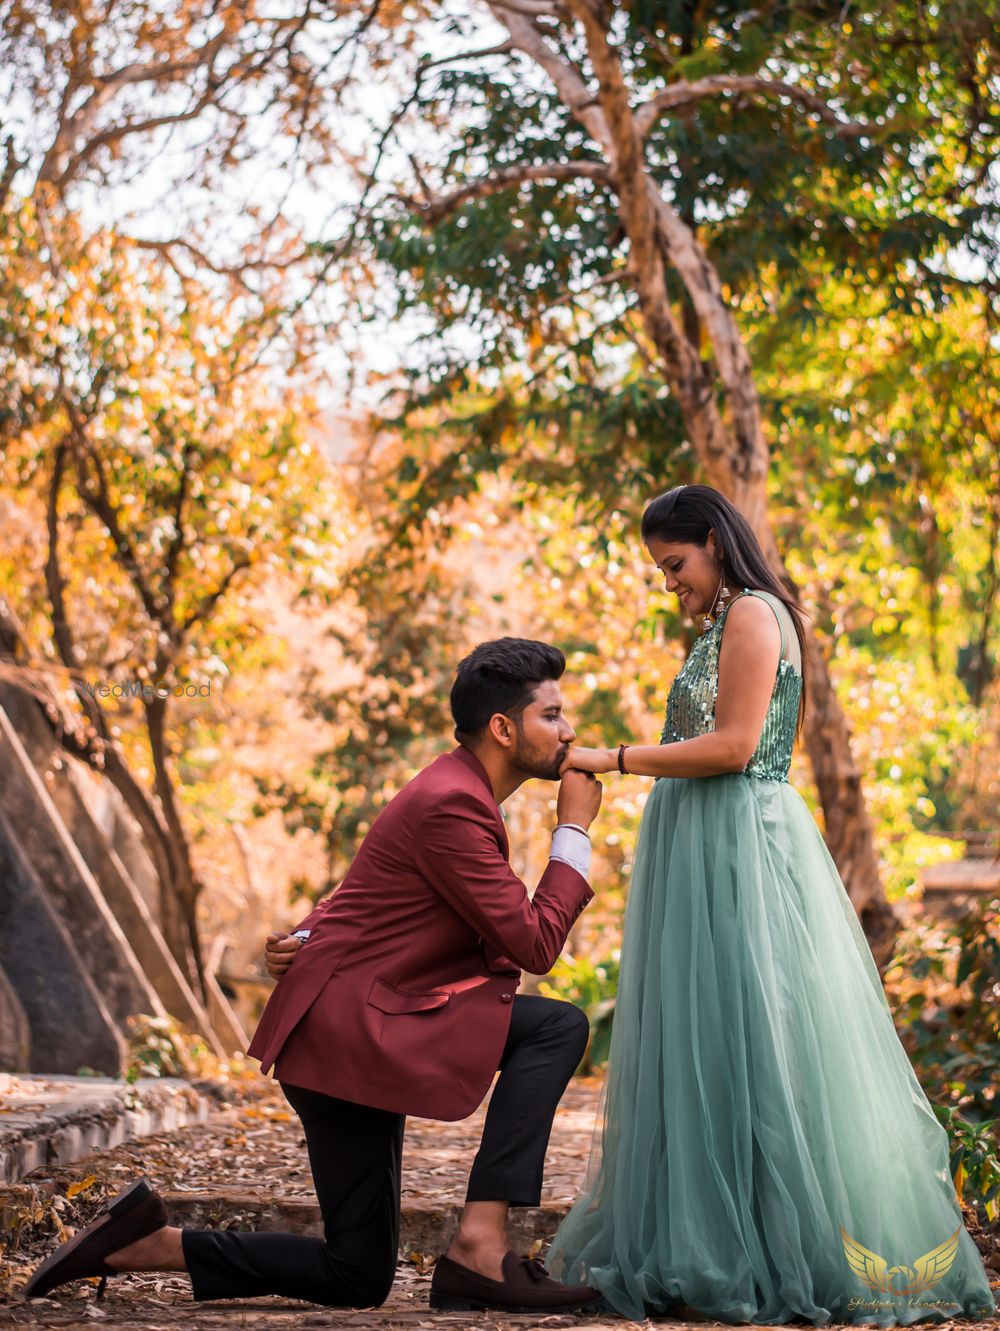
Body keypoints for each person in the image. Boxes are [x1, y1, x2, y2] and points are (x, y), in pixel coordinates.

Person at [23, 638, 606, 1316]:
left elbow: (369, 891)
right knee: (556, 1025)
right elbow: (534, 942)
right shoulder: (454, 801)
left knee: (356, 1274)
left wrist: (305, 933)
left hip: (360, 1024)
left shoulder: (455, 791)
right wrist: (574, 830)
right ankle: (480, 1242)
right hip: (346, 1038)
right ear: (505, 728)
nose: (568, 732)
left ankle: (154, 1242)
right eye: (553, 715)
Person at [544, 485, 997, 1325]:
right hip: (700, 844)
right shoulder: (722, 622)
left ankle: (787, 1244)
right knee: (710, 1042)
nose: (669, 584)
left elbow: (736, 744)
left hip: (741, 848)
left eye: (674, 565)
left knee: (764, 1037)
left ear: (715, 540)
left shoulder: (755, 613)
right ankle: (720, 1233)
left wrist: (613, 755)